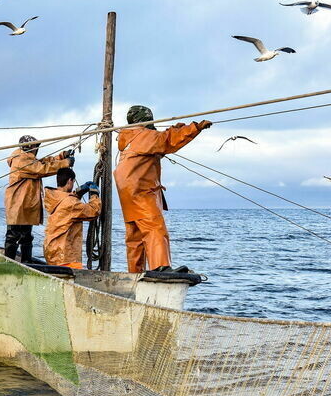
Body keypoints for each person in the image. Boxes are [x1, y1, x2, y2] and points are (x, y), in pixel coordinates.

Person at [114, 105, 211, 273]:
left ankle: (135, 273)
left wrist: (175, 128)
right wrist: (195, 128)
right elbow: (167, 140)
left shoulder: (129, 138)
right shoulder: (142, 135)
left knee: (135, 236)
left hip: (127, 193)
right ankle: (161, 267)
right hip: (141, 191)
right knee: (155, 228)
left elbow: (158, 142)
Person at [4, 135, 73, 263]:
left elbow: (43, 162)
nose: (37, 149)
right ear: (31, 147)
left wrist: (61, 156)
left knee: (26, 236)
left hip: (24, 205)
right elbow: (41, 169)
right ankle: (8, 262)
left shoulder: (27, 158)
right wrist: (65, 163)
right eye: (36, 146)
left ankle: (26, 262)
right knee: (13, 236)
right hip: (18, 205)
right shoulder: (21, 159)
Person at [43, 168, 101, 269]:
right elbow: (94, 211)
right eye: (73, 182)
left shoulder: (52, 198)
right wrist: (94, 194)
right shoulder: (71, 203)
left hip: (52, 252)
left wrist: (78, 193)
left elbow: (67, 202)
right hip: (66, 256)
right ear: (70, 180)